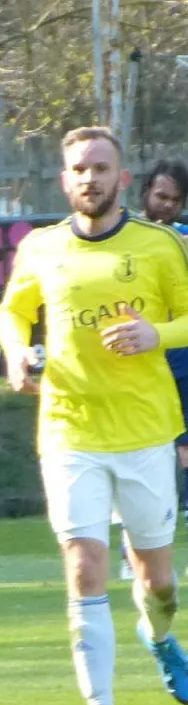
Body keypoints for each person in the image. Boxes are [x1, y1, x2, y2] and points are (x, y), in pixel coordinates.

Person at [0, 128, 188, 705]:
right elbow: (13, 311)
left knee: (158, 583)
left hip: (144, 431)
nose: (89, 178)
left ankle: (159, 636)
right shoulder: (42, 247)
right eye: (79, 169)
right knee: (83, 565)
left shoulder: (161, 245)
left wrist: (155, 334)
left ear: (122, 179)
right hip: (68, 429)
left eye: (101, 168)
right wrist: (16, 351)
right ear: (64, 179)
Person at [138, 159, 188, 513]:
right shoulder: (125, 237)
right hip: (140, 359)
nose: (168, 205)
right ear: (146, 194)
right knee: (144, 440)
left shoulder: (183, 238)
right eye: (162, 196)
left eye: (176, 199)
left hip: (181, 356)